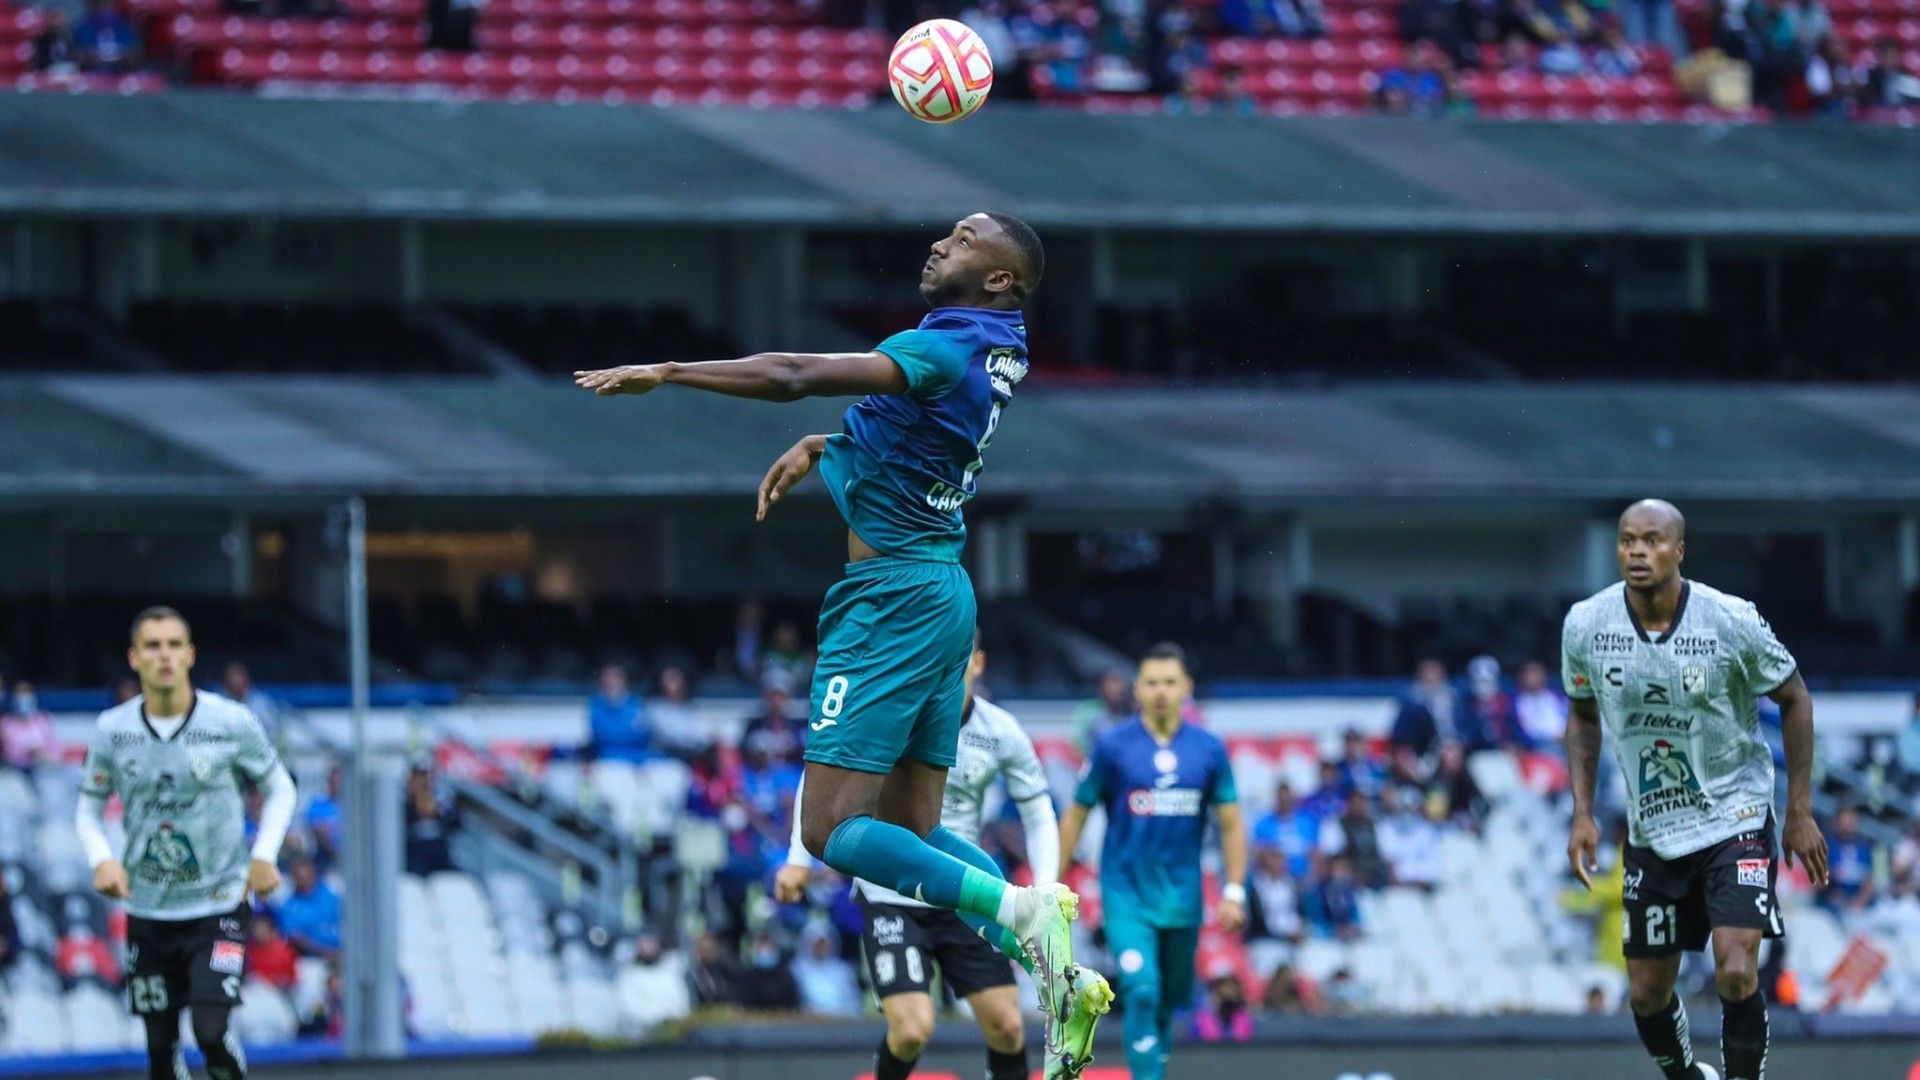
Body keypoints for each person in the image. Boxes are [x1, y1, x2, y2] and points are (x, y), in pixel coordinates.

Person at [576, 212, 1105, 1077]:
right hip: (943, 590)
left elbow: (793, 374)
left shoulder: (942, 346)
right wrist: (828, 446)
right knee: (910, 830)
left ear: (1000, 279)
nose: (940, 244)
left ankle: (1021, 913)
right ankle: (1058, 970)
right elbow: (917, 440)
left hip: (889, 601)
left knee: (828, 830)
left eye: (964, 240)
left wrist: (668, 372)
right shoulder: (996, 346)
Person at [1563, 500, 1827, 1080]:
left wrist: (1799, 810)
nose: (1637, 551)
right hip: (1653, 832)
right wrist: (1582, 812)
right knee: (1646, 993)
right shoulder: (1586, 624)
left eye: (1652, 540)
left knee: (1735, 969)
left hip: (1736, 816)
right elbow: (1581, 714)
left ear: (1679, 550)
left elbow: (1795, 698)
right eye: (1627, 540)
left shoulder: (1729, 619)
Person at [777, 634, 1062, 1080]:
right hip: (890, 894)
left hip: (966, 894)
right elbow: (822, 779)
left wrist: (1043, 886)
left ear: (977, 663)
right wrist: (799, 856)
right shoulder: (888, 714)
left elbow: (1039, 811)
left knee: (1007, 1027)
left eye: (956, 658)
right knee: (912, 1030)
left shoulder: (1000, 730)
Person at [76, 606, 296, 1080]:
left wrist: (264, 854)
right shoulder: (113, 730)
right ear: (134, 658)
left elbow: (281, 788)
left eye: (174, 645)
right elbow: (88, 808)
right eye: (153, 646)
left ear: (190, 655)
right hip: (148, 911)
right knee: (160, 1050)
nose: (165, 655)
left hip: (218, 905)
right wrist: (101, 859)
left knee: (210, 1031)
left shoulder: (231, 722)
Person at [1058, 642, 1248, 1080]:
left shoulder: (1209, 749)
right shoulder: (1112, 746)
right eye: (1151, 682)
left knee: (1167, 1002)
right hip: (1126, 895)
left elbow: (1231, 824)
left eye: (1169, 682)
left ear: (1186, 687)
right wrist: (1054, 879)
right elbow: (1077, 813)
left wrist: (1234, 891)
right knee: (1142, 991)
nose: (1160, 691)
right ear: (1137, 689)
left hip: (1182, 899)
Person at [275, 856, 342, 958]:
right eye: (296, 875)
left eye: (303, 875)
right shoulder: (288, 906)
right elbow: (296, 938)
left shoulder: (331, 895)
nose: (300, 878)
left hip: (343, 951)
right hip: (312, 958)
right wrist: (327, 953)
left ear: (312, 872)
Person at [585, 664, 650, 763]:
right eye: (607, 679)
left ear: (623, 682)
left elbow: (643, 736)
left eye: (615, 679)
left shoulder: (637, 705)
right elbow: (603, 736)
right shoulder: (595, 706)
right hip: (605, 760)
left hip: (637, 760)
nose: (611, 683)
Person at [1821, 805, 1875, 913]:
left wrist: (1859, 901)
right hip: (1829, 904)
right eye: (1846, 818)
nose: (1849, 822)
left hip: (1857, 907)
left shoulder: (1864, 848)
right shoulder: (1826, 844)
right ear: (1837, 820)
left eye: (1853, 818)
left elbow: (1869, 881)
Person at [1070, 667, 1132, 754]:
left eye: (1119, 682)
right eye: (1112, 681)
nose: (1117, 687)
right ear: (1101, 687)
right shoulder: (1089, 712)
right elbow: (1078, 744)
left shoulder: (1132, 714)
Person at [1, 679, 57, 771]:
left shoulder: (43, 720)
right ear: (14, 699)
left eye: (27, 694)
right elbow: (7, 751)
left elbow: (55, 748)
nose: (24, 699)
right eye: (20, 695)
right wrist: (25, 754)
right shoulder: (6, 723)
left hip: (43, 767)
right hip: (15, 770)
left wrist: (43, 755)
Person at [1515, 660, 1570, 748]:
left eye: (1537, 674)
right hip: (1543, 743)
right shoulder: (1520, 702)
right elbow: (1529, 731)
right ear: (1522, 678)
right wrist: (1555, 737)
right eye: (1530, 675)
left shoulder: (1557, 696)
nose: (1534, 679)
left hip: (1567, 737)